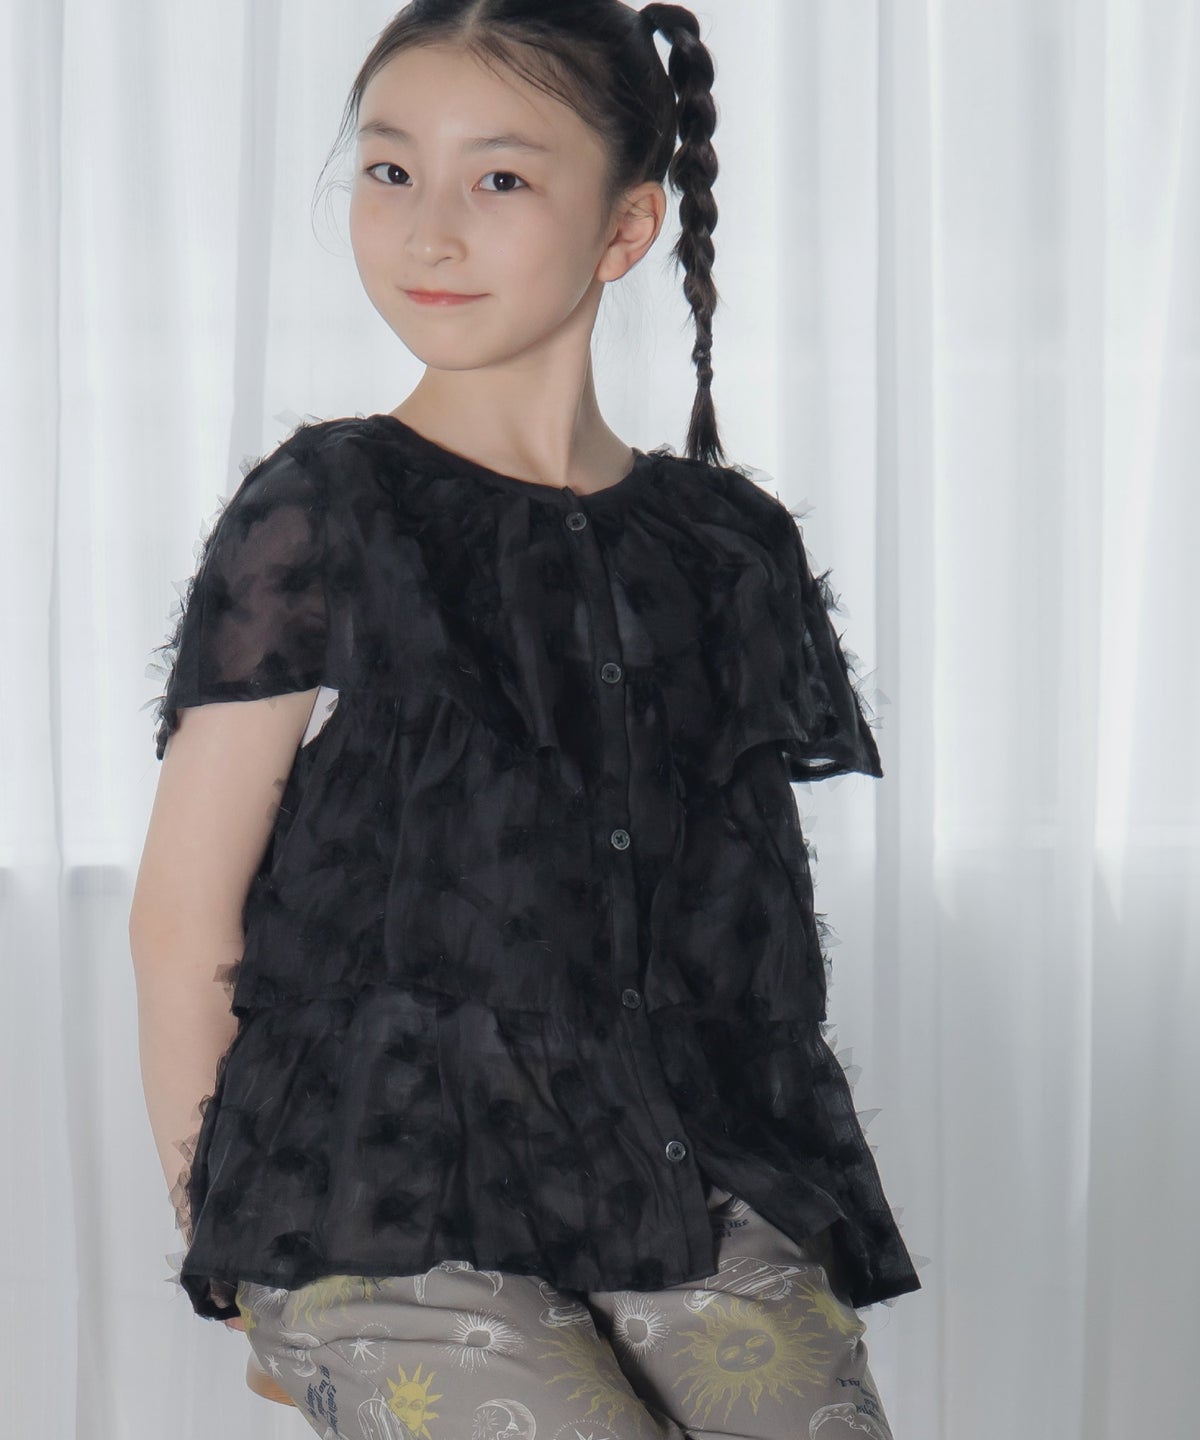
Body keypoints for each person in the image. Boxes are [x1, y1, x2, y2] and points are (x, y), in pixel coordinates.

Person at [129, 3, 921, 1436]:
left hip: (682, 1174)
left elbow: (749, 945)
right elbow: (185, 923)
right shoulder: (330, 508)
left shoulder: (728, 548)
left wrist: (789, 1215)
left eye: (498, 178)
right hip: (374, 1190)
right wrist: (232, 1247)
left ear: (626, 227)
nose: (428, 231)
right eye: (390, 171)